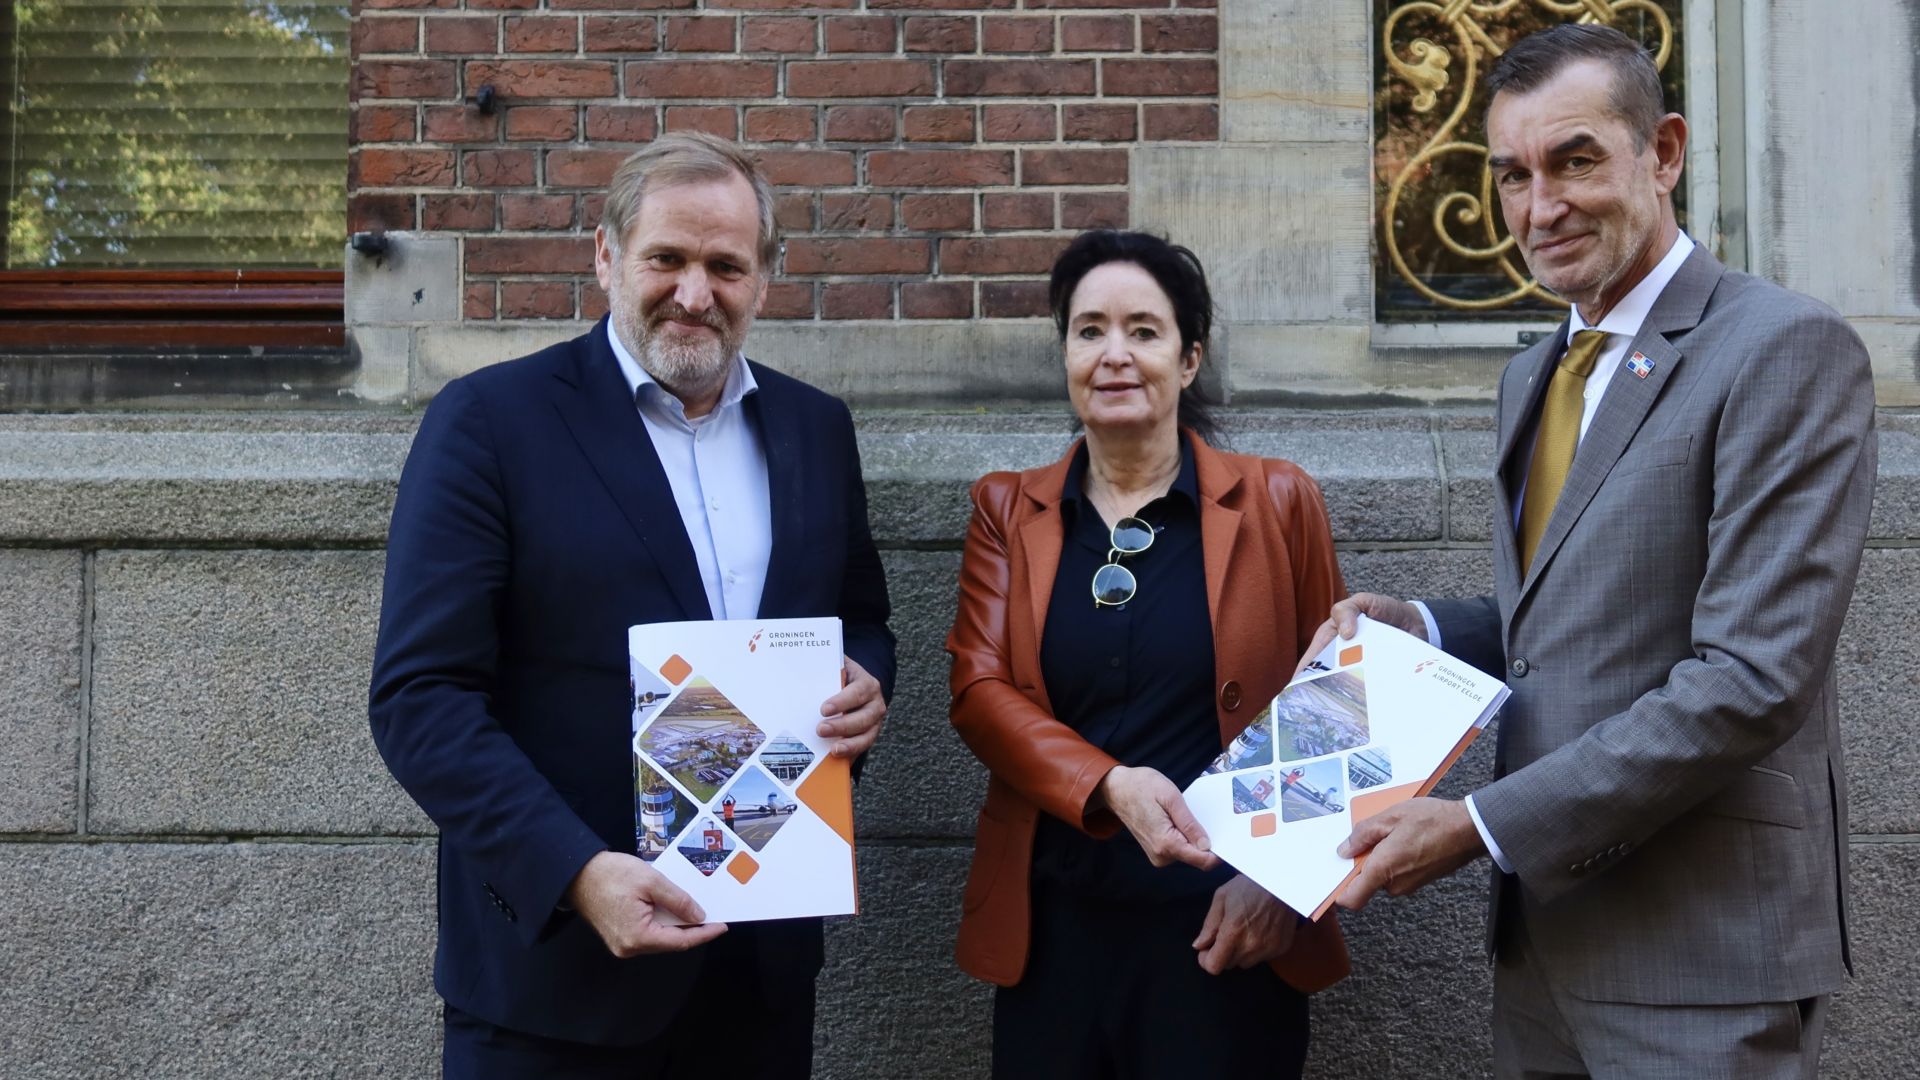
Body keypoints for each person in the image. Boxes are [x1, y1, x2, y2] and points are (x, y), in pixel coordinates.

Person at [1310, 25, 1873, 1078]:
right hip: (1544, 957)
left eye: (1575, 160)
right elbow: (1567, 626)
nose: (1541, 207)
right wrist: (1423, 628)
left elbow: (1752, 679)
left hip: (1700, 954)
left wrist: (1478, 825)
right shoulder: (1537, 375)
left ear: (1663, 154)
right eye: (1513, 176)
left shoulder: (1785, 349)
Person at [368, 132, 895, 1079]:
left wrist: (866, 683)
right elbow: (422, 696)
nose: (696, 293)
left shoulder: (816, 429)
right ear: (607, 255)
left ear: (764, 280)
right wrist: (575, 873)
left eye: (726, 266)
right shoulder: (491, 422)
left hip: (758, 981)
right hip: (558, 986)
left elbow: (861, 616)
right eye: (668, 258)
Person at [946, 229, 1351, 1079]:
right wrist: (1108, 786)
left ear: (1189, 358)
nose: (1114, 355)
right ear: (1065, 354)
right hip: (1052, 927)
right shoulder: (1007, 512)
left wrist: (1284, 882)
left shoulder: (1279, 500)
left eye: (1144, 330)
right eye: (1089, 330)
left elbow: (1338, 701)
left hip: (1225, 930)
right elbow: (979, 691)